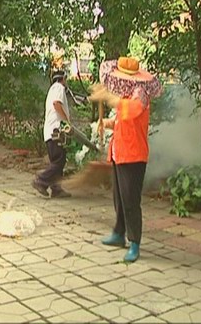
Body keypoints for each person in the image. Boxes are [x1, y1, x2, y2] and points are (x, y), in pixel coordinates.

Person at [89, 57, 162, 263]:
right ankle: (119, 233)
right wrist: (107, 123)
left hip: (134, 155)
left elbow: (132, 111)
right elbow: (124, 121)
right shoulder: (128, 93)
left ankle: (135, 242)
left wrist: (108, 98)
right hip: (119, 153)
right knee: (119, 198)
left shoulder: (140, 93)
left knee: (130, 201)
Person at [32, 70, 72, 198]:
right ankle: (41, 180)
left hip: (49, 131)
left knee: (57, 159)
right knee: (59, 161)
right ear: (63, 79)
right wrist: (66, 120)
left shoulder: (52, 89)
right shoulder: (59, 88)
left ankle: (56, 188)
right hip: (56, 130)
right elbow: (57, 104)